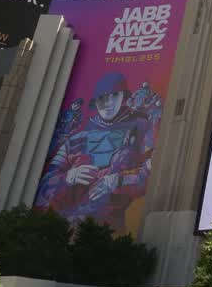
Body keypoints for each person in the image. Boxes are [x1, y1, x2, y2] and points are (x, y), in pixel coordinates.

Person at [35, 72, 155, 232]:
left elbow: (157, 171)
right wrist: (70, 177)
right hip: (62, 228)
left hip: (112, 230)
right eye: (101, 98)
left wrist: (118, 181)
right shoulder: (75, 140)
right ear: (95, 102)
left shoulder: (143, 129)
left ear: (123, 96)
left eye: (113, 96)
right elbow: (45, 184)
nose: (107, 103)